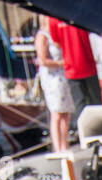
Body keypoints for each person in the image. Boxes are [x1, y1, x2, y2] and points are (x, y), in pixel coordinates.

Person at [48, 19, 101, 123]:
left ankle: (86, 134)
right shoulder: (77, 9)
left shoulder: (53, 17)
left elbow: (57, 43)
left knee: (80, 105)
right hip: (84, 65)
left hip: (74, 66)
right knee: (94, 102)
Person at [34, 16, 73, 152]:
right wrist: (62, 63)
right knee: (56, 112)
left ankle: (64, 144)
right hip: (52, 77)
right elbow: (42, 60)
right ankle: (58, 147)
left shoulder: (57, 33)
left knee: (65, 112)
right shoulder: (43, 35)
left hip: (63, 75)